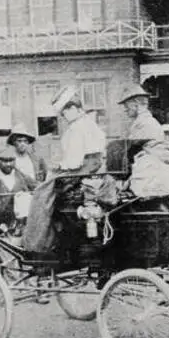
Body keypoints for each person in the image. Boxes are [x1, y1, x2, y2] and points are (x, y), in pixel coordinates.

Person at [23, 86, 107, 253]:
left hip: (80, 172)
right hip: (93, 170)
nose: (63, 117)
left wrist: (59, 165)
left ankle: (39, 244)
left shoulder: (77, 128)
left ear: (74, 108)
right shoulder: (91, 124)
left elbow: (74, 162)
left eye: (64, 113)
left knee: (41, 195)